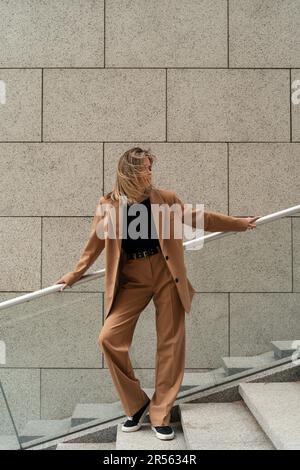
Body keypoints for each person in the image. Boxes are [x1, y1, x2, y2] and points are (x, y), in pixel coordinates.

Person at [56, 147, 260, 441]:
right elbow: (94, 243)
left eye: (151, 167)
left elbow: (199, 217)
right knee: (109, 339)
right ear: (129, 172)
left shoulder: (164, 199)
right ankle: (136, 404)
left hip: (167, 276)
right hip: (133, 280)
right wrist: (75, 274)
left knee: (170, 343)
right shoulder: (109, 205)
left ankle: (160, 412)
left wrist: (238, 223)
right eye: (145, 168)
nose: (151, 173)